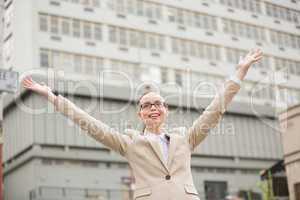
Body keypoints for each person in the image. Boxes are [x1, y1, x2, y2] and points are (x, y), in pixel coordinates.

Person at [22, 49, 263, 200]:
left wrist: (239, 73)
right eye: (147, 105)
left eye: (158, 103)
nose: (153, 108)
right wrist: (51, 96)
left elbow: (215, 110)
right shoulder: (129, 143)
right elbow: (87, 122)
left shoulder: (186, 139)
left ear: (166, 111)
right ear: (140, 115)